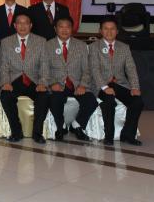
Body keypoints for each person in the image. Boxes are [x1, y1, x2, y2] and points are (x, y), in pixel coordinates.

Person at [90, 16, 144, 146]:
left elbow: (131, 69)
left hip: (119, 84)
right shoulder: (93, 47)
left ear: (117, 31)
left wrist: (135, 87)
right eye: (106, 29)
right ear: (100, 31)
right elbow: (94, 69)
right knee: (109, 101)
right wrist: (104, 87)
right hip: (100, 85)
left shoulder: (124, 47)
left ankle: (128, 135)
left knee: (137, 102)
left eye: (112, 29)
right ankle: (109, 136)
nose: (109, 32)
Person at [0, 12, 49, 144]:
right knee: (5, 95)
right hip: (14, 79)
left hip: (34, 80)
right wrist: (6, 82)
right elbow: (3, 66)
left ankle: (37, 133)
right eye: (19, 23)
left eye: (25, 23)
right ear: (14, 25)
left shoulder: (41, 41)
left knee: (44, 96)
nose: (22, 26)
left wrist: (42, 83)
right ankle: (16, 132)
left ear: (30, 25)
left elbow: (44, 65)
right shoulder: (6, 42)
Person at [44, 16, 96, 141]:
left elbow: (87, 69)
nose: (64, 30)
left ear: (72, 29)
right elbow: (44, 69)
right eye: (61, 26)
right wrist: (52, 84)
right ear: (55, 29)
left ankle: (77, 125)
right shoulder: (47, 45)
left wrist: (82, 85)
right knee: (55, 99)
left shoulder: (81, 45)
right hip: (57, 84)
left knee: (91, 100)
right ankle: (60, 127)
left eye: (67, 27)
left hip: (76, 84)